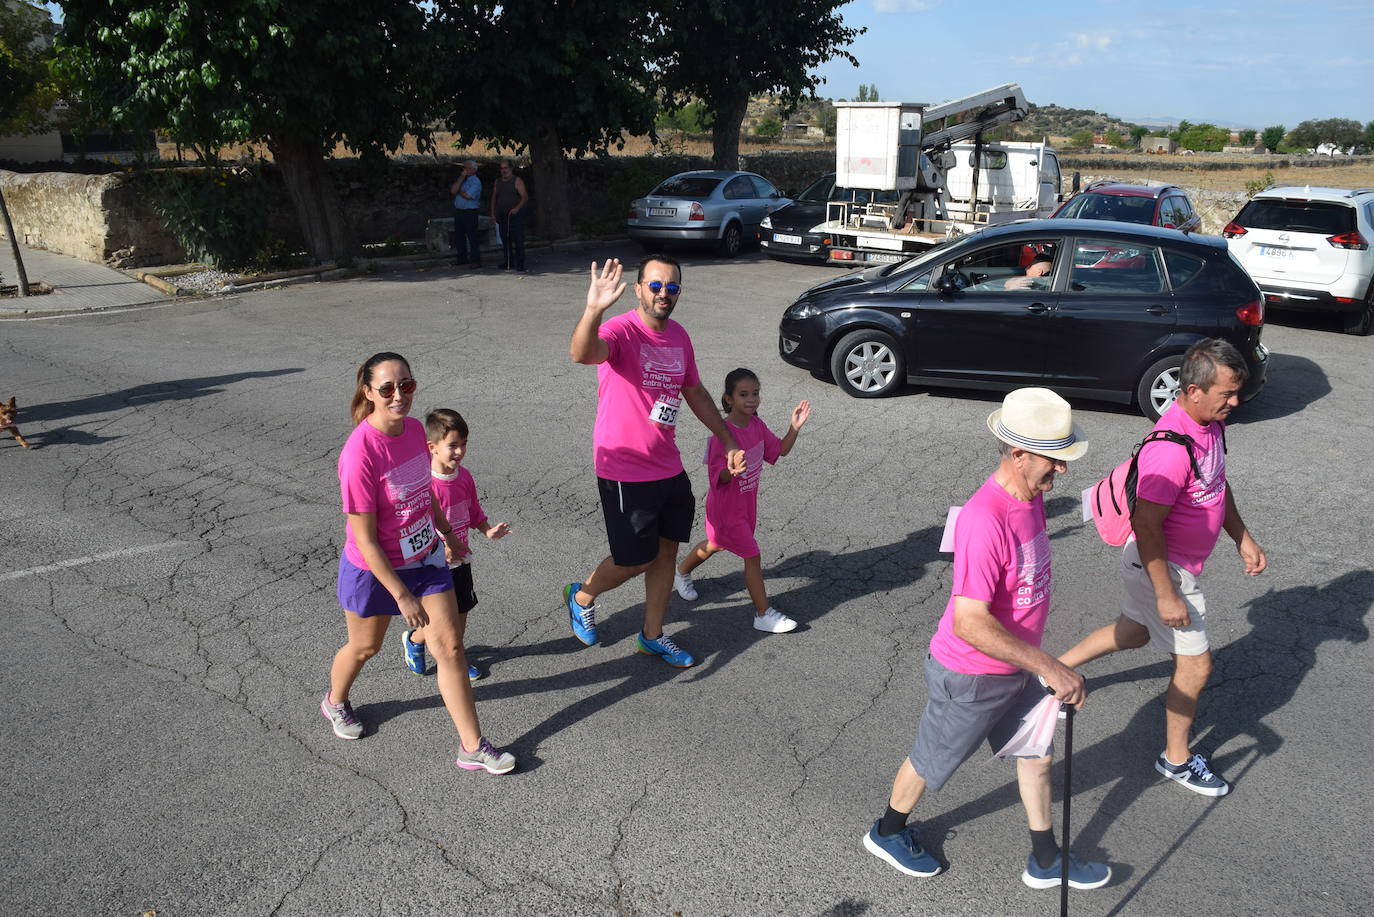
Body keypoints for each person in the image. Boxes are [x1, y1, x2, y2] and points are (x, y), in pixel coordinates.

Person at [864, 387, 1111, 891]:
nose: (1062, 470)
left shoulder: (1031, 497)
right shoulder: (986, 519)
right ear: (1017, 454)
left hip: (1015, 667)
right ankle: (886, 832)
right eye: (1053, 459)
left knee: (1035, 753)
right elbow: (969, 623)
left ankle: (1045, 859)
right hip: (970, 676)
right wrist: (1050, 666)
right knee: (932, 760)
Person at [1059, 338, 1266, 796]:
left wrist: (1242, 537)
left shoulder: (1210, 425)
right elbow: (1146, 524)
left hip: (1164, 568)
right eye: (1227, 394)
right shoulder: (1170, 451)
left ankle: (1053, 670)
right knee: (1196, 666)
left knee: (1133, 632)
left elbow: (1216, 483)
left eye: (1236, 392)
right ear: (1193, 391)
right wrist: (1167, 594)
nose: (1235, 402)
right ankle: (1175, 760)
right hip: (1163, 568)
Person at [323, 352, 515, 775]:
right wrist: (402, 595)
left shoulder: (412, 430)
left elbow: (422, 490)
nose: (399, 395)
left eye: (406, 385)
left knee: (449, 647)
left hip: (425, 557)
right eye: (387, 388)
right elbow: (365, 539)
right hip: (376, 568)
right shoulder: (359, 455)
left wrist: (446, 532)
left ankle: (472, 746)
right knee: (365, 647)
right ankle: (335, 701)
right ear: (368, 392)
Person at [563, 256, 746, 668]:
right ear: (639, 289)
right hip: (624, 467)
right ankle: (582, 595)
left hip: (668, 464)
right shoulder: (621, 330)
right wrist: (593, 309)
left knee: (666, 552)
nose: (664, 294)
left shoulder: (679, 336)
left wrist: (728, 440)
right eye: (656, 285)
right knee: (635, 559)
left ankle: (652, 635)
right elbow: (581, 353)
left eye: (673, 287)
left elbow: (694, 391)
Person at [673, 368, 810, 634]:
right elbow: (717, 478)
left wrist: (794, 427)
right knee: (752, 556)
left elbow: (779, 451)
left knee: (715, 544)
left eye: (755, 393)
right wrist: (730, 471)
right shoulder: (721, 434)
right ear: (728, 399)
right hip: (725, 510)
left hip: (746, 506)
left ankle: (682, 572)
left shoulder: (757, 426)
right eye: (744, 394)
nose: (751, 399)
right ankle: (763, 614)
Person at [401, 408, 512, 685]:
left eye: (463, 444)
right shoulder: (426, 484)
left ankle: (452, 652)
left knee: (462, 611)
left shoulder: (464, 477)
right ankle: (421, 643)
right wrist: (442, 545)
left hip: (461, 558)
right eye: (452, 445)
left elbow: (473, 511)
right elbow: (419, 523)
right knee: (437, 620)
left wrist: (487, 530)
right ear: (433, 447)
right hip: (434, 563)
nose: (460, 451)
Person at [490, 159, 529, 272]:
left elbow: (525, 197)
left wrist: (517, 208)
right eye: (502, 168)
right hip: (502, 215)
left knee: (518, 239)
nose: (504, 170)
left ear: (511, 168)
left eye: (506, 168)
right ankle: (508, 261)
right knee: (505, 240)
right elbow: (494, 197)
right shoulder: (497, 182)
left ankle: (520, 263)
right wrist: (493, 213)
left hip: (515, 215)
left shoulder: (517, 181)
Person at [450, 160, 482, 268]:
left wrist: (459, 191)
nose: (464, 170)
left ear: (473, 170)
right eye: (463, 168)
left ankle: (476, 260)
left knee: (472, 236)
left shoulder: (475, 182)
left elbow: (468, 196)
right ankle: (462, 258)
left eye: (467, 168)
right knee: (459, 236)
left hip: (470, 211)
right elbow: (453, 190)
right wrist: (461, 178)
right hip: (459, 211)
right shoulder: (463, 180)